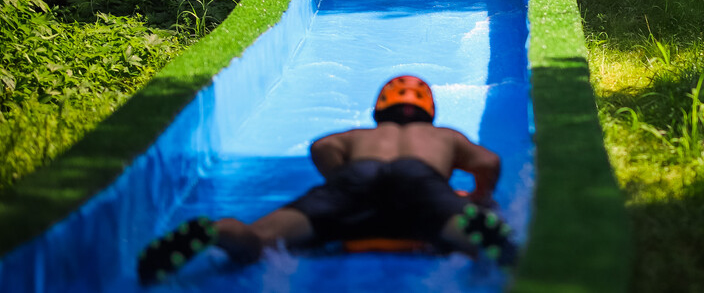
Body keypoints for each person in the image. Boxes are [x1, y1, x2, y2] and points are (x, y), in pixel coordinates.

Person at [136, 75, 517, 284]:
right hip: (420, 181)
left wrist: (344, 182)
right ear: (428, 112)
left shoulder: (360, 137)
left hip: (353, 179)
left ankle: (220, 231)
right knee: (462, 233)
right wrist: (480, 195)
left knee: (262, 238)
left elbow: (322, 146)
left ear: (379, 109)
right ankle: (477, 225)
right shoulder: (443, 136)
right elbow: (489, 161)